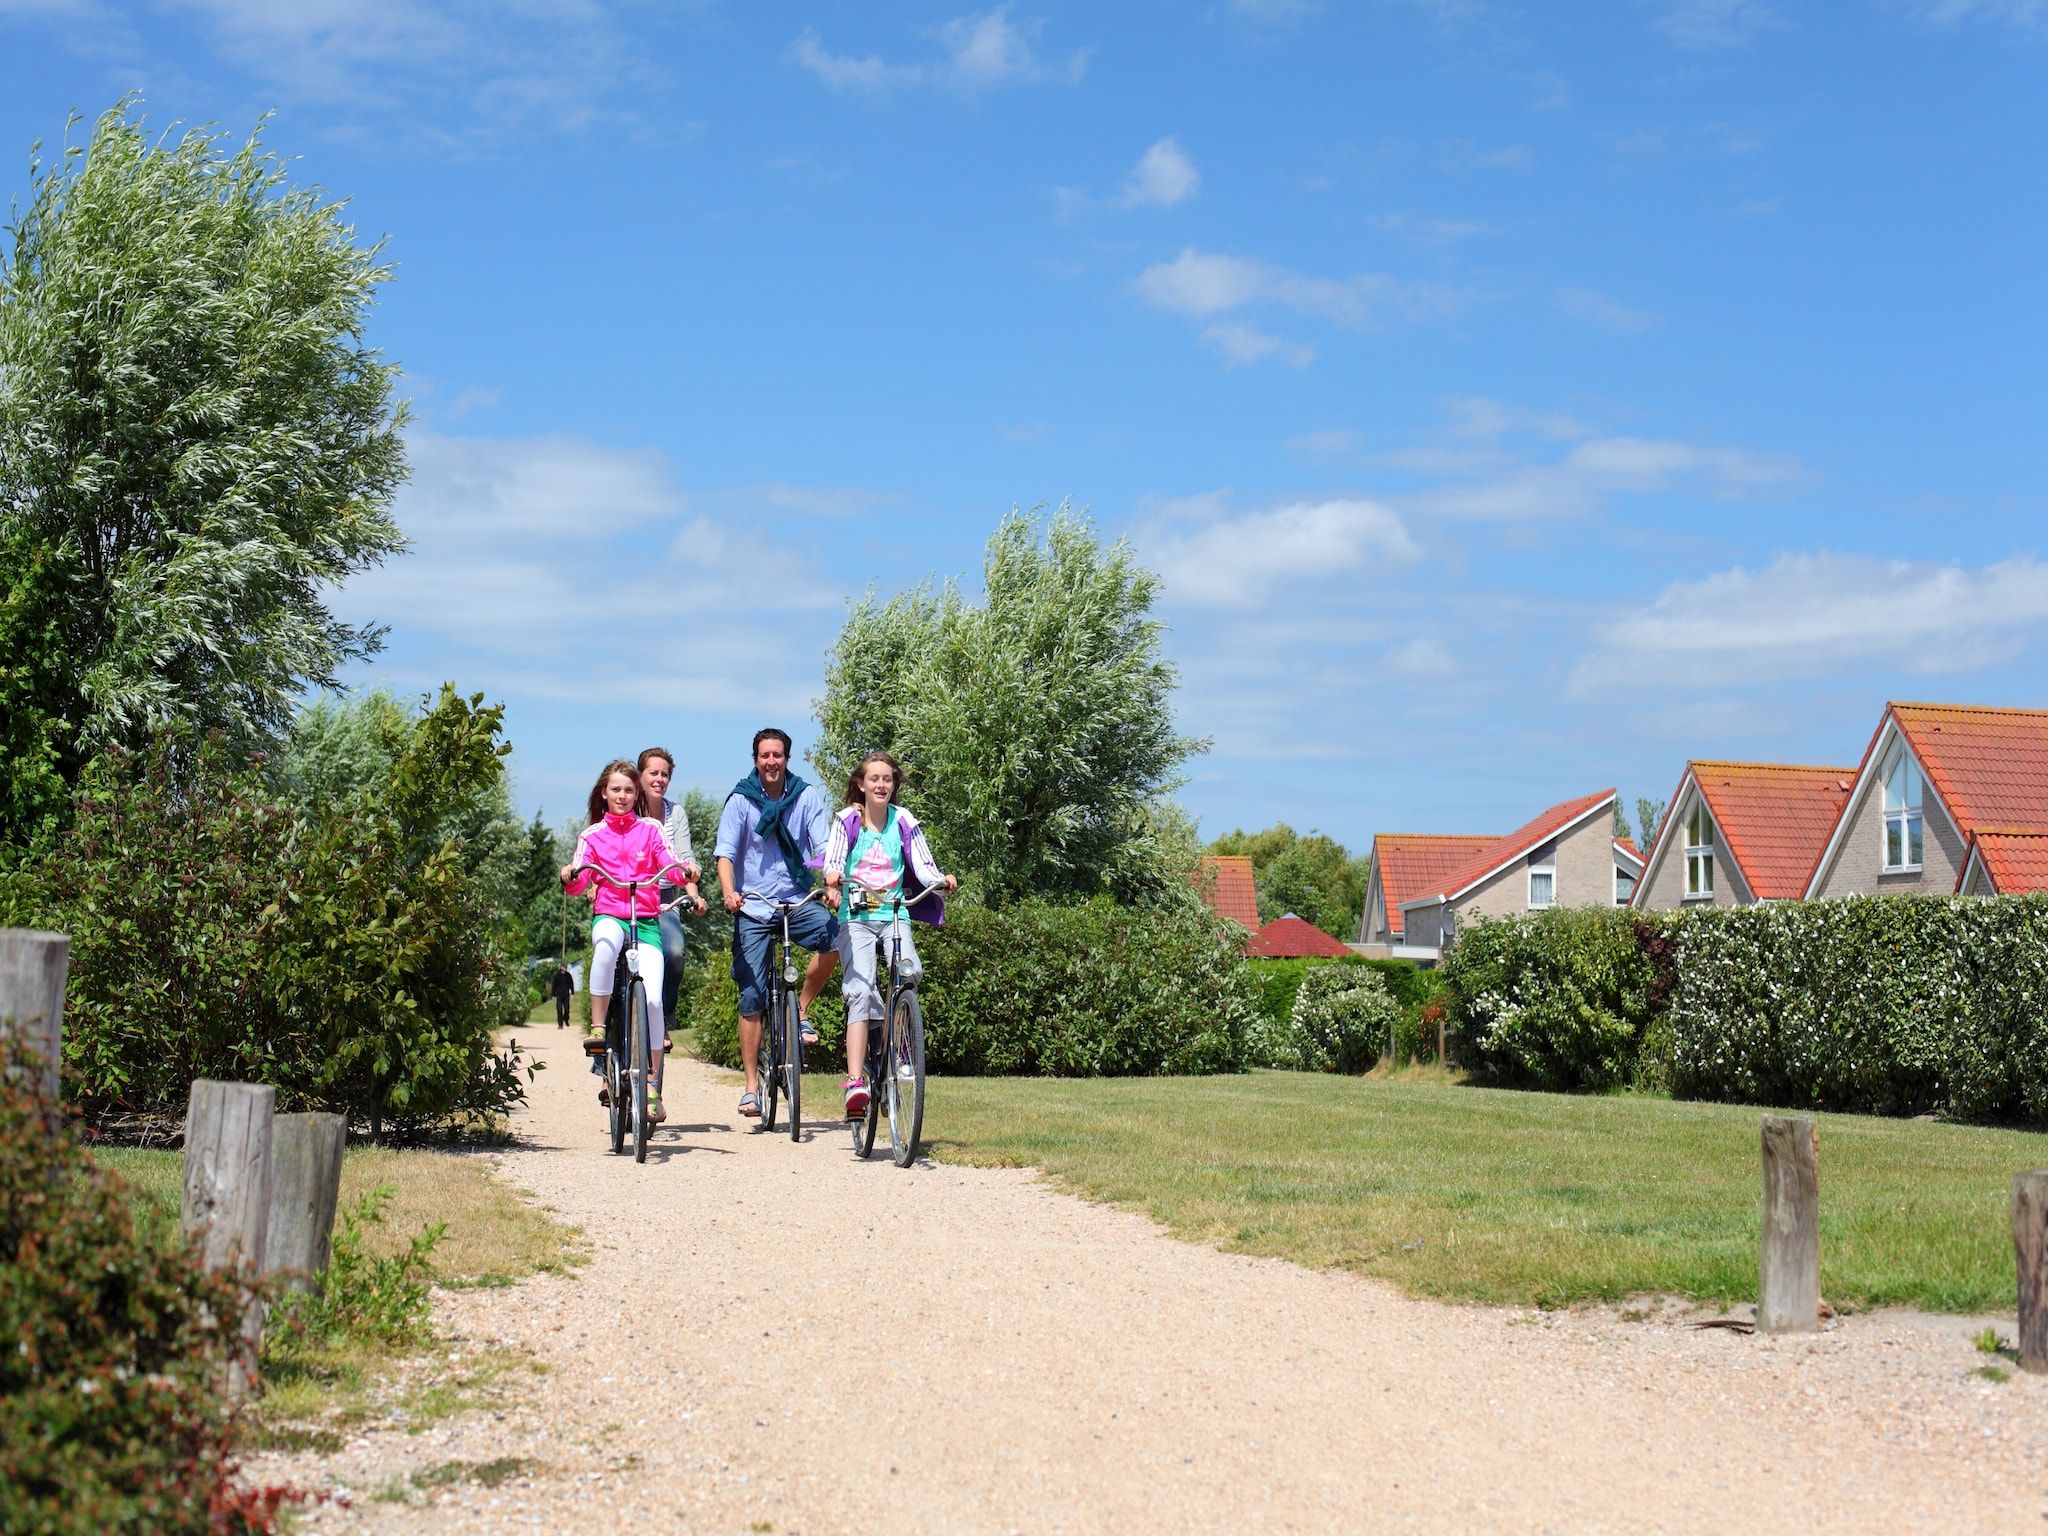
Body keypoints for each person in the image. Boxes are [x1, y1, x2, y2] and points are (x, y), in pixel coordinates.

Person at [561, 759, 698, 1125]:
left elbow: (669, 859)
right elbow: (578, 881)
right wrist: (570, 876)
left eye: (628, 790)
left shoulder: (651, 829)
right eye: (616, 789)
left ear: (637, 794)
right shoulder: (592, 836)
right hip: (610, 914)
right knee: (605, 945)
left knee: (653, 997)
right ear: (604, 794)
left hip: (647, 920)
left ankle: (652, 1084)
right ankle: (599, 1029)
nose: (622, 796)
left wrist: (684, 871)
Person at [822, 751, 956, 1118]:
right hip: (857, 918)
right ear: (861, 785)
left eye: (887, 779)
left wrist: (940, 881)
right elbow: (834, 859)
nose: (881, 785)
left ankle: (901, 1050)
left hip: (894, 913)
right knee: (862, 992)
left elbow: (923, 863)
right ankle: (854, 1083)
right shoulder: (848, 820)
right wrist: (833, 874)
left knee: (909, 972)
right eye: (874, 779)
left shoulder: (903, 820)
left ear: (894, 785)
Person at [715, 728, 838, 1120]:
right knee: (751, 995)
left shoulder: (805, 796)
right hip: (753, 905)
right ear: (756, 759)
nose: (771, 762)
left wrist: (831, 882)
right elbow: (725, 854)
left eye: (778, 755)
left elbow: (822, 848)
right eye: (765, 755)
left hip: (796, 897)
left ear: (787, 758)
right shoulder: (740, 800)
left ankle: (800, 1009)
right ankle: (751, 1088)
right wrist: (730, 892)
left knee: (834, 938)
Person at [637, 747, 708, 1049]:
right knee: (616, 964)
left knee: (675, 953)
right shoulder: (628, 808)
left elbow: (684, 859)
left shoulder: (675, 813)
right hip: (628, 896)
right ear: (640, 775)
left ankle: (663, 1018)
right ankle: (604, 1055)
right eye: (653, 772)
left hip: (665, 897)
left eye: (664, 774)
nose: (659, 779)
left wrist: (694, 895)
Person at [550, 963, 573, 1028]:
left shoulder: (568, 975)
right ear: (561, 967)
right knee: (559, 1009)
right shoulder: (557, 975)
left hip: (566, 994)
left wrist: (572, 993)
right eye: (564, 967)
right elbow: (554, 985)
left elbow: (571, 984)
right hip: (559, 995)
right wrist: (553, 995)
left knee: (566, 1009)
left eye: (566, 967)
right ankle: (560, 1025)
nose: (565, 969)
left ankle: (566, 1019)